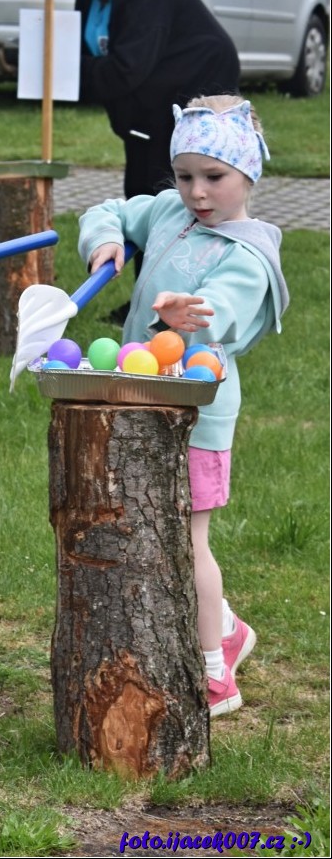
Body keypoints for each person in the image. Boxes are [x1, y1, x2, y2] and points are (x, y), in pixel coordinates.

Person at [77, 95, 289, 717]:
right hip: (142, 402)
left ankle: (216, 671)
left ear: (248, 173)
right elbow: (109, 209)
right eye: (184, 175)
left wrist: (187, 312)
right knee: (149, 526)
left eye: (214, 177)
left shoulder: (248, 256)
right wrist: (106, 240)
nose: (197, 192)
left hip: (197, 417)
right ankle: (226, 628)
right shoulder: (171, 212)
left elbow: (223, 309)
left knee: (188, 541)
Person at [48, 0, 240, 321]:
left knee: (168, 191)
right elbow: (89, 54)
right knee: (141, 190)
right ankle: (147, 295)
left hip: (194, 87)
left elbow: (126, 68)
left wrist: (67, 74)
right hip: (150, 98)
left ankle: (178, 297)